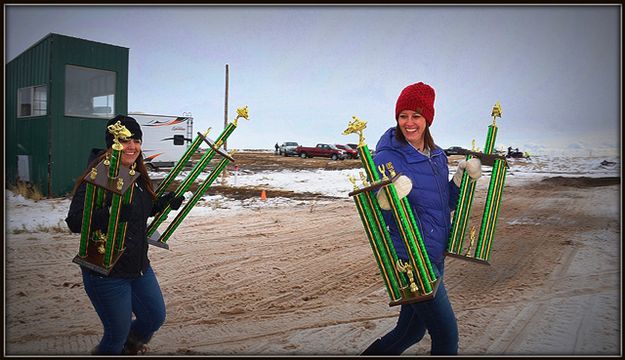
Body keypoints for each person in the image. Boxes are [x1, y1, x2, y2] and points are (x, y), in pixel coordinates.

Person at [362, 82, 481, 355]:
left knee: (409, 333)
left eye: (416, 115)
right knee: (446, 337)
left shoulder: (437, 156)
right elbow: (377, 201)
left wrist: (461, 180)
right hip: (412, 259)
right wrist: (387, 198)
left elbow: (445, 204)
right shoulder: (387, 154)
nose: (409, 122)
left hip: (435, 254)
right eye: (403, 116)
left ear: (428, 118)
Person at [65, 115, 184, 355]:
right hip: (106, 270)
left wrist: (161, 204)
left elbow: (138, 211)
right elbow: (75, 222)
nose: (132, 146)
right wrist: (110, 214)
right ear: (112, 144)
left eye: (136, 140)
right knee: (116, 334)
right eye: (124, 140)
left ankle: (129, 349)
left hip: (138, 266)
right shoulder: (99, 176)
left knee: (154, 317)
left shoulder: (135, 176)